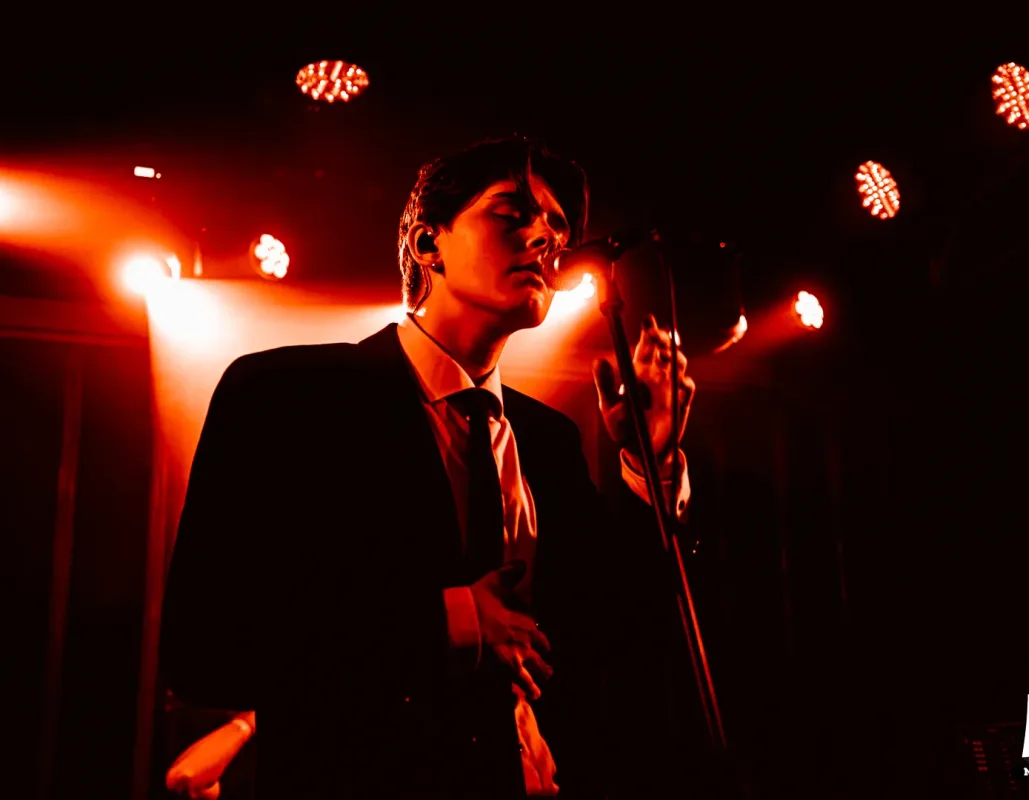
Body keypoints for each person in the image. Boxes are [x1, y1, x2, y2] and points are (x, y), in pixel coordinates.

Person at [159, 137, 697, 798]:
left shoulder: (548, 440)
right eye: (511, 214)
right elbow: (205, 645)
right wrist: (451, 621)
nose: (546, 238)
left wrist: (652, 460)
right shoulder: (287, 396)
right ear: (427, 244)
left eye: (558, 227)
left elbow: (624, 630)